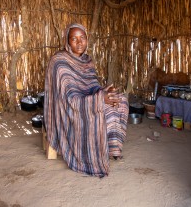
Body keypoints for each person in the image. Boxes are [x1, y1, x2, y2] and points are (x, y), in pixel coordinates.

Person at [44, 23, 129, 177]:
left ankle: (111, 148)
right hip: (70, 110)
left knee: (120, 101)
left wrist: (104, 92)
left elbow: (92, 88)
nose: (79, 42)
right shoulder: (58, 62)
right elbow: (68, 98)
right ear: (67, 41)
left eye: (82, 38)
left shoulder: (87, 61)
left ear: (87, 39)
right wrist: (99, 100)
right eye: (74, 39)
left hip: (87, 101)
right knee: (101, 108)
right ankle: (93, 155)